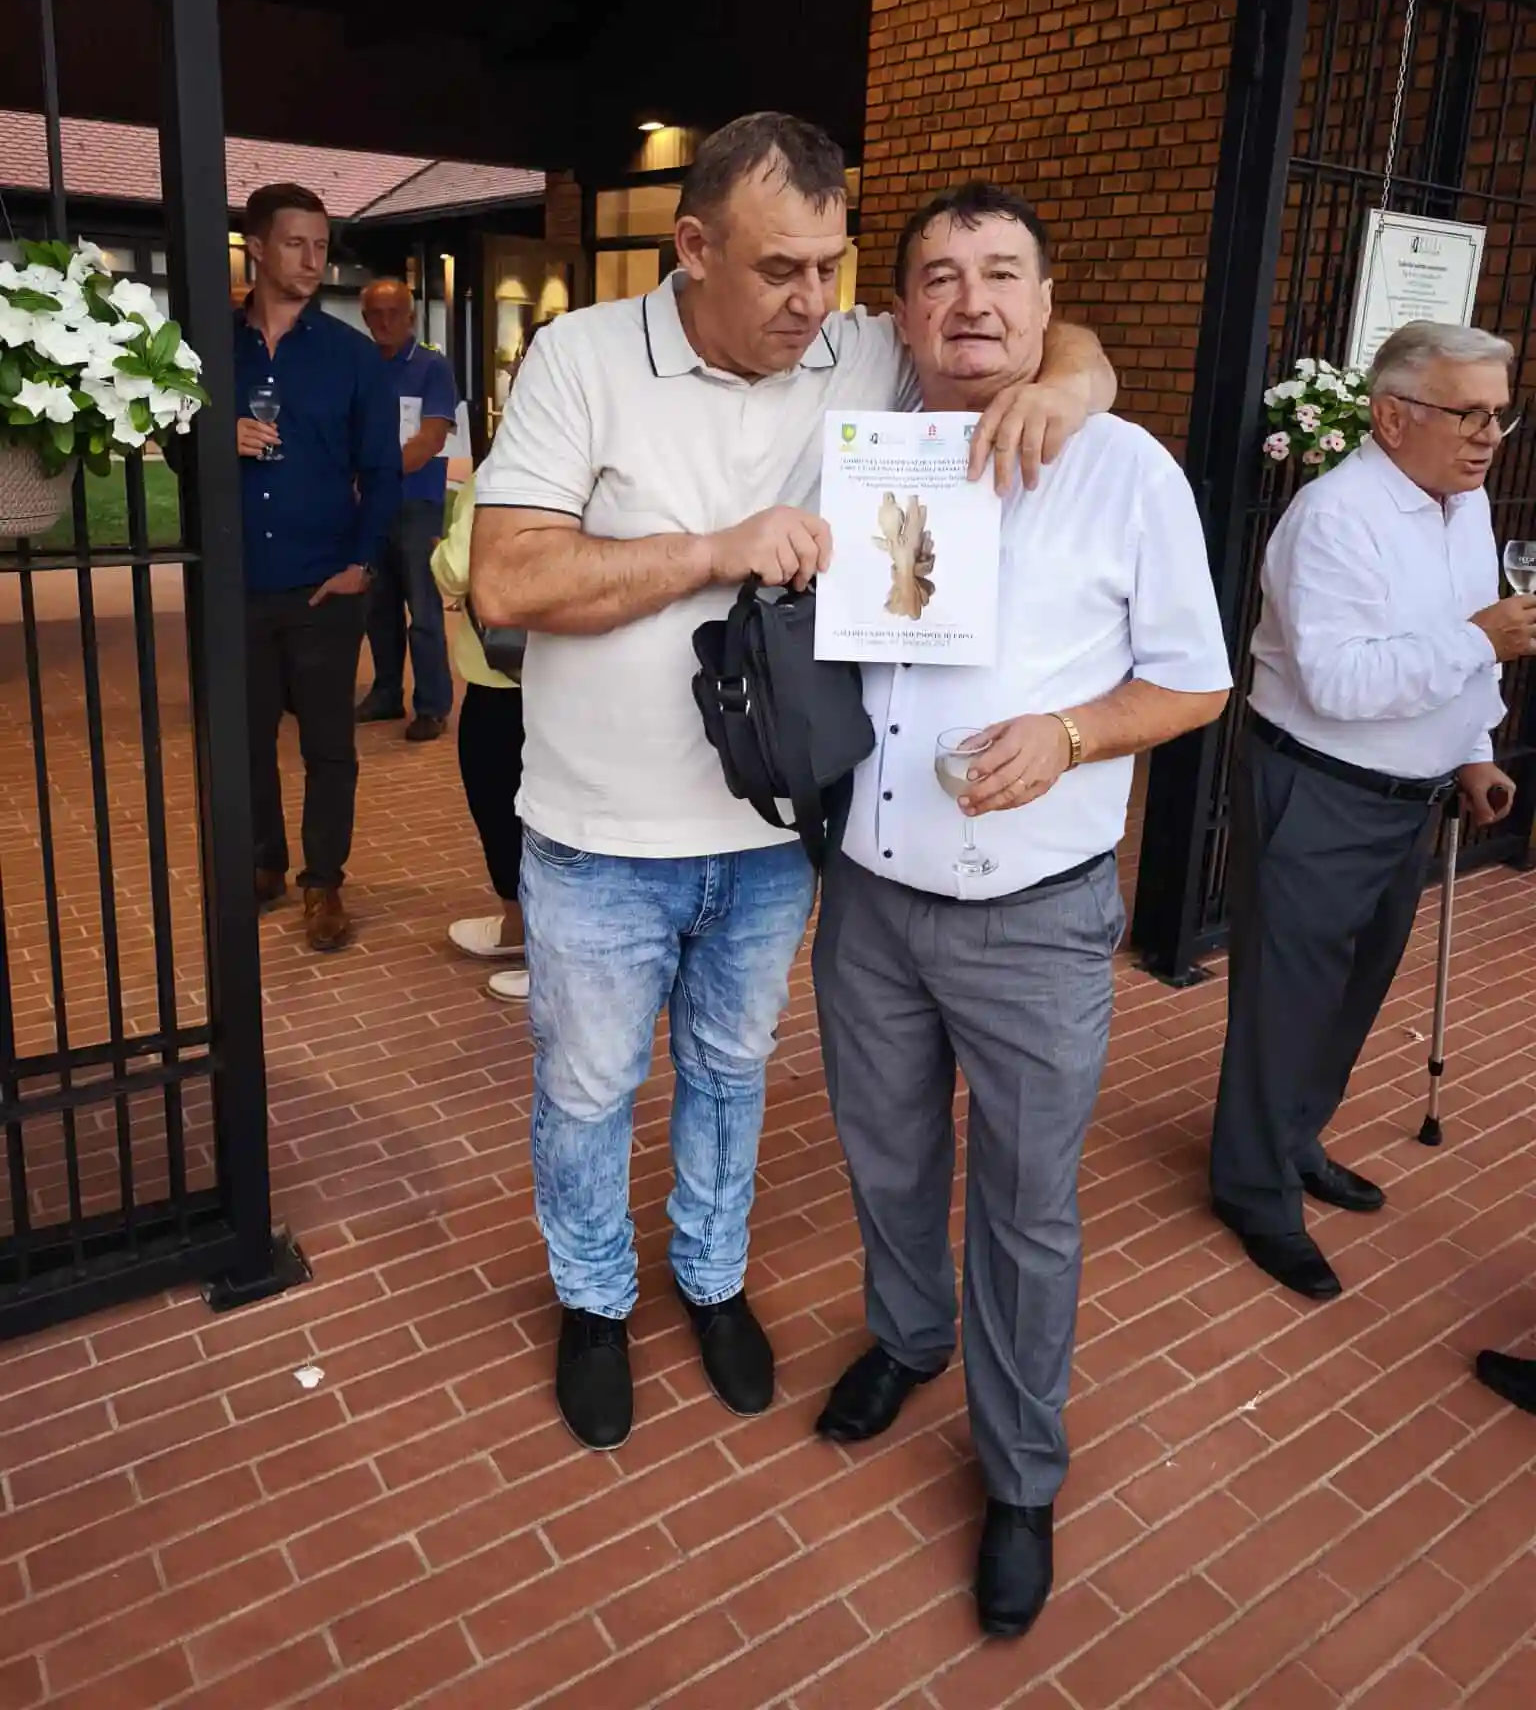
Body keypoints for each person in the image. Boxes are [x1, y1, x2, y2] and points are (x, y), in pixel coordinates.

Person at [469, 113, 1116, 1454]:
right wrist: (719, 548)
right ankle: (594, 1300)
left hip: (774, 829)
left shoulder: (854, 350)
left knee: (731, 1070)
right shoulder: (583, 357)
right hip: (597, 831)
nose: (812, 301)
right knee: (588, 1088)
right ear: (692, 247)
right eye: (778, 269)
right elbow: (508, 580)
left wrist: (1075, 381)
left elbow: (1027, 332)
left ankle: (710, 1277)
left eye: (831, 265)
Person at [811, 183, 1230, 1642]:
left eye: (1003, 275)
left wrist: (1070, 733)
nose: (971, 300)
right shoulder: (865, 438)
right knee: (885, 1153)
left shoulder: (1124, 468)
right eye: (939, 276)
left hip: (1034, 915)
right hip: (869, 895)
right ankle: (910, 1335)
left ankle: (1020, 1474)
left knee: (1028, 1203)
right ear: (900, 310)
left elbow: (1197, 680)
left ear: (1049, 306)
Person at [1210, 321, 1529, 1302]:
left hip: (1409, 795)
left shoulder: (1464, 506)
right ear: (1392, 417)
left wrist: (1475, 751)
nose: (1488, 436)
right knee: (1287, 999)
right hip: (1320, 786)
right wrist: (1482, 640)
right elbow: (1341, 682)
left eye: (1500, 415)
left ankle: (1293, 1137)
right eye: (1467, 413)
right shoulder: (1334, 516)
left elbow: (1460, 655)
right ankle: (1254, 1188)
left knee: (1353, 989)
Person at [236, 183, 401, 951]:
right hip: (236, 587)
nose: (311, 260)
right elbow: (170, 440)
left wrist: (362, 565)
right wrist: (213, 439)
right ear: (257, 248)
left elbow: (384, 472)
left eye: (321, 245)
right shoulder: (211, 348)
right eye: (295, 243)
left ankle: (323, 882)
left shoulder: (351, 355)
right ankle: (263, 864)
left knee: (329, 747)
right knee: (245, 742)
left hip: (326, 587)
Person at [431, 472, 529, 999]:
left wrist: (439, 555)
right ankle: (521, 928)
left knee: (503, 803)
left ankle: (540, 944)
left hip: (506, 674)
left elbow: (457, 566)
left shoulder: (503, 474)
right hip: (566, 666)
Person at [355, 278, 459, 741]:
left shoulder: (432, 367)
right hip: (369, 506)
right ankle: (386, 693)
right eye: (375, 314)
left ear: (411, 317)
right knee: (377, 606)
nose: (384, 322)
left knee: (423, 610)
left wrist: (376, 475)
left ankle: (432, 705)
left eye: (393, 312)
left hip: (417, 503)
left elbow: (431, 438)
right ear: (364, 318)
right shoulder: (359, 365)